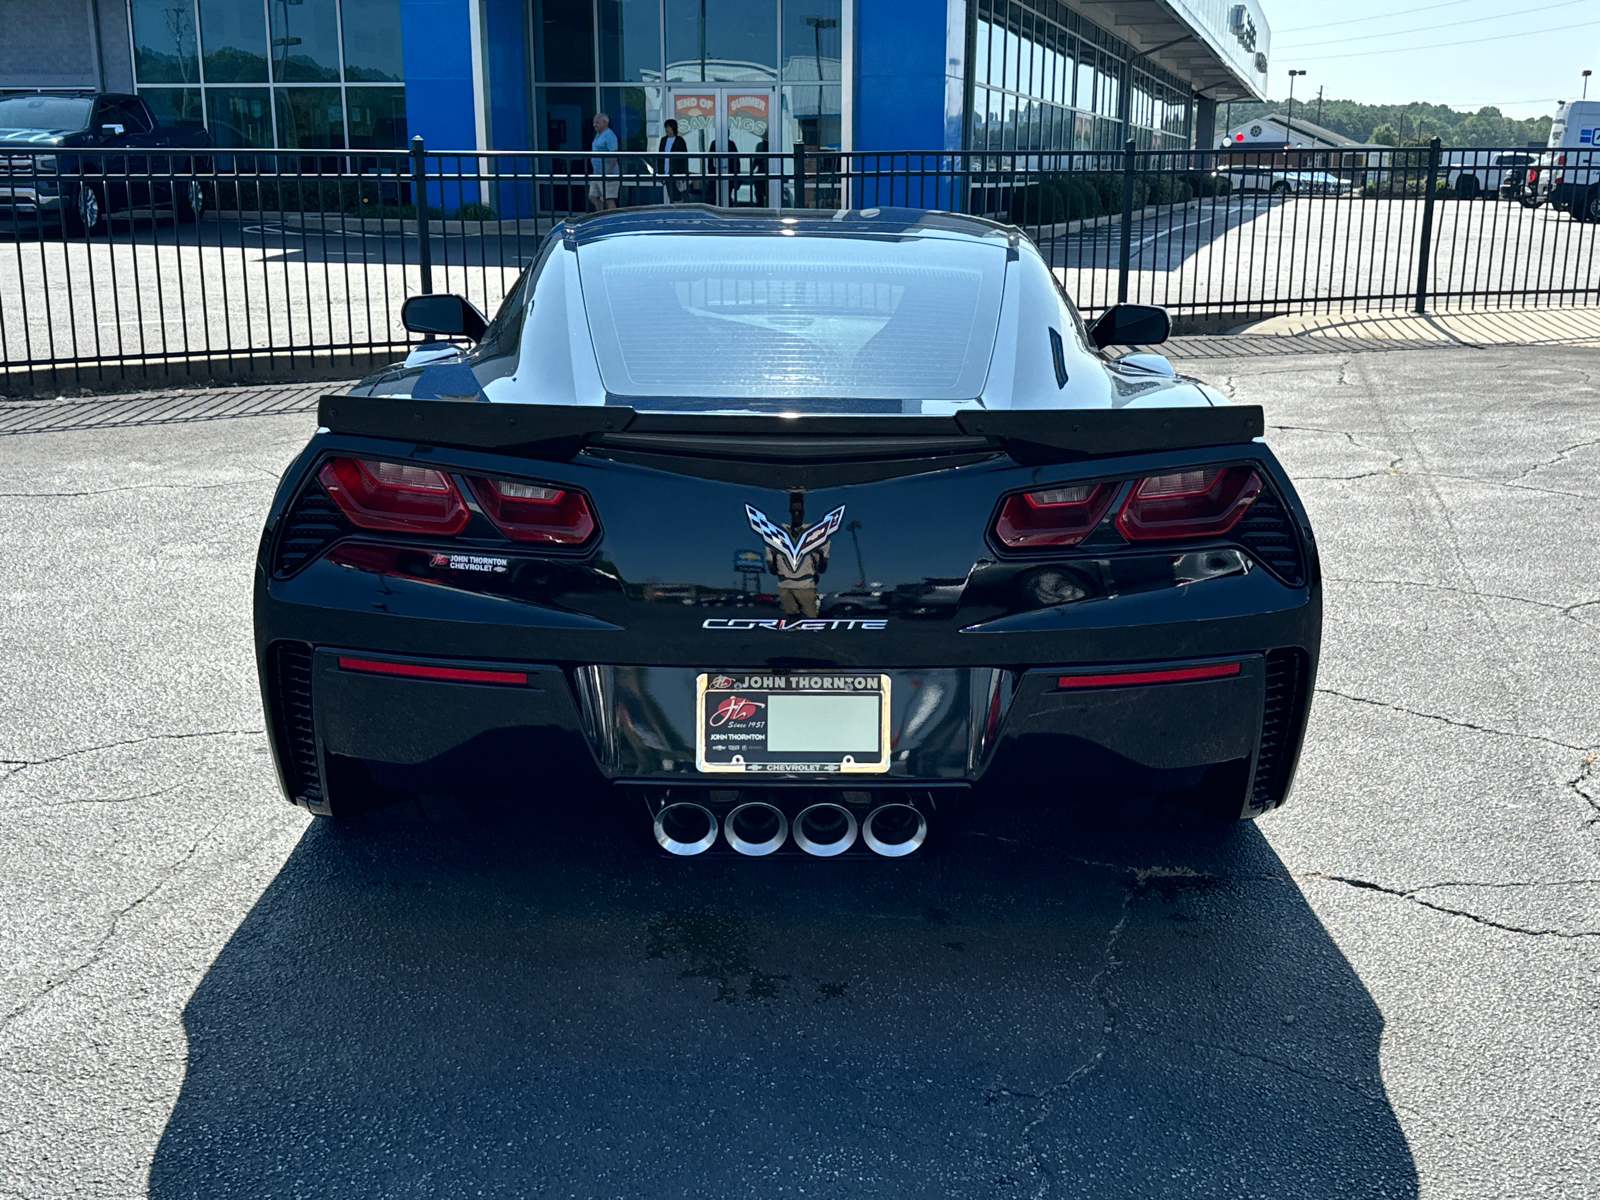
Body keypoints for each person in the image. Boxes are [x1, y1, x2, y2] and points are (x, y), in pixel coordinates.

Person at [766, 492, 829, 618]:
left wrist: (819, 554)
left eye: (799, 511)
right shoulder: (778, 534)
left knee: (810, 620)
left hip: (805, 585)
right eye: (793, 510)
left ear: (804, 512)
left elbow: (822, 568)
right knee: (791, 621)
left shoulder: (815, 535)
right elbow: (771, 567)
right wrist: (774, 559)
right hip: (784, 585)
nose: (796, 514)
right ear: (789, 511)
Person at [588, 112, 619, 212]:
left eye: (597, 122)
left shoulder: (609, 135)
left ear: (605, 122)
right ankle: (601, 215)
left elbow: (613, 155)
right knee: (592, 195)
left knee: (609, 198)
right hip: (597, 173)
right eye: (594, 122)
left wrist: (609, 172)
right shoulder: (598, 135)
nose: (594, 125)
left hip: (608, 173)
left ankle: (613, 220)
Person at [657, 118, 688, 203]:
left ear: (673, 128)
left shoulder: (680, 141)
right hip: (666, 171)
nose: (667, 129)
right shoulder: (663, 140)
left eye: (668, 127)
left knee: (676, 192)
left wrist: (683, 172)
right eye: (666, 127)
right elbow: (660, 156)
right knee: (670, 193)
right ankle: (674, 207)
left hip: (676, 171)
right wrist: (660, 172)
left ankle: (680, 207)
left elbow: (684, 158)